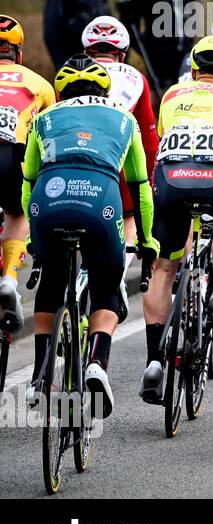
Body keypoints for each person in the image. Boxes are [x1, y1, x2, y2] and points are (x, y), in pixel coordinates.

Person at [22, 56, 158, 418]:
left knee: (51, 281)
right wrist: (147, 240)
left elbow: (28, 182)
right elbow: (141, 190)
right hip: (101, 202)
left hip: (48, 199)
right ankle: (97, 363)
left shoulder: (43, 119)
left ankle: (40, 377)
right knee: (107, 290)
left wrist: (34, 241)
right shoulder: (124, 118)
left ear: (62, 89)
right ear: (105, 89)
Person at [139, 35, 213, 404]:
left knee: (164, 268)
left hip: (170, 181)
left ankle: (154, 359)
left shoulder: (173, 95)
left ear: (193, 70)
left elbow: (164, 143)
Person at [81, 16, 160, 304]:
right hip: (118, 169)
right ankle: (117, 276)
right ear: (123, 53)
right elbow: (149, 140)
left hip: (69, 165)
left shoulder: (69, 72)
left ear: (86, 51)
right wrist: (150, 181)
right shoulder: (135, 78)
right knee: (128, 217)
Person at [0, 15, 57, 328]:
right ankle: (9, 278)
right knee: (17, 213)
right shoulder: (39, 83)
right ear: (18, 53)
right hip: (11, 157)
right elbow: (49, 139)